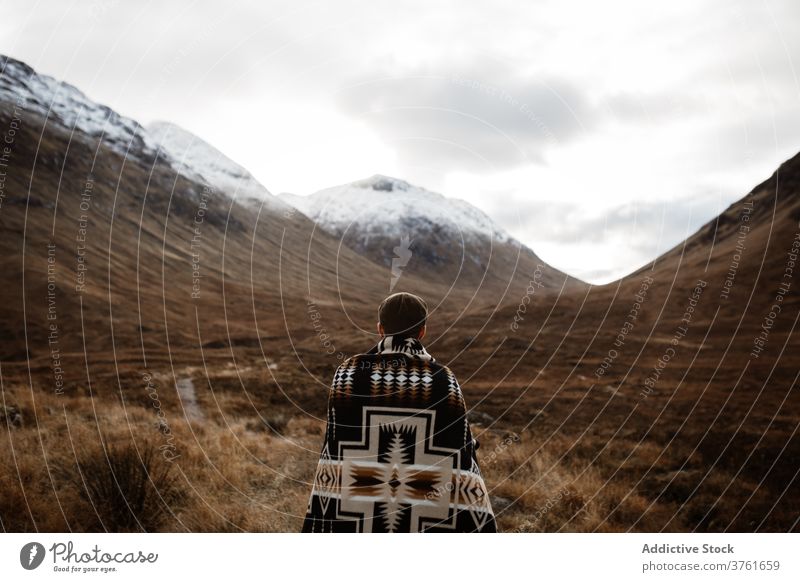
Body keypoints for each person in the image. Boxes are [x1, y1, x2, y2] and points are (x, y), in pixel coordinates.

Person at [301, 292, 496, 532]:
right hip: (426, 512)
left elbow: (333, 447)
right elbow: (460, 451)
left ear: (380, 329)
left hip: (354, 511)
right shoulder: (443, 379)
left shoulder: (348, 374)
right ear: (422, 331)